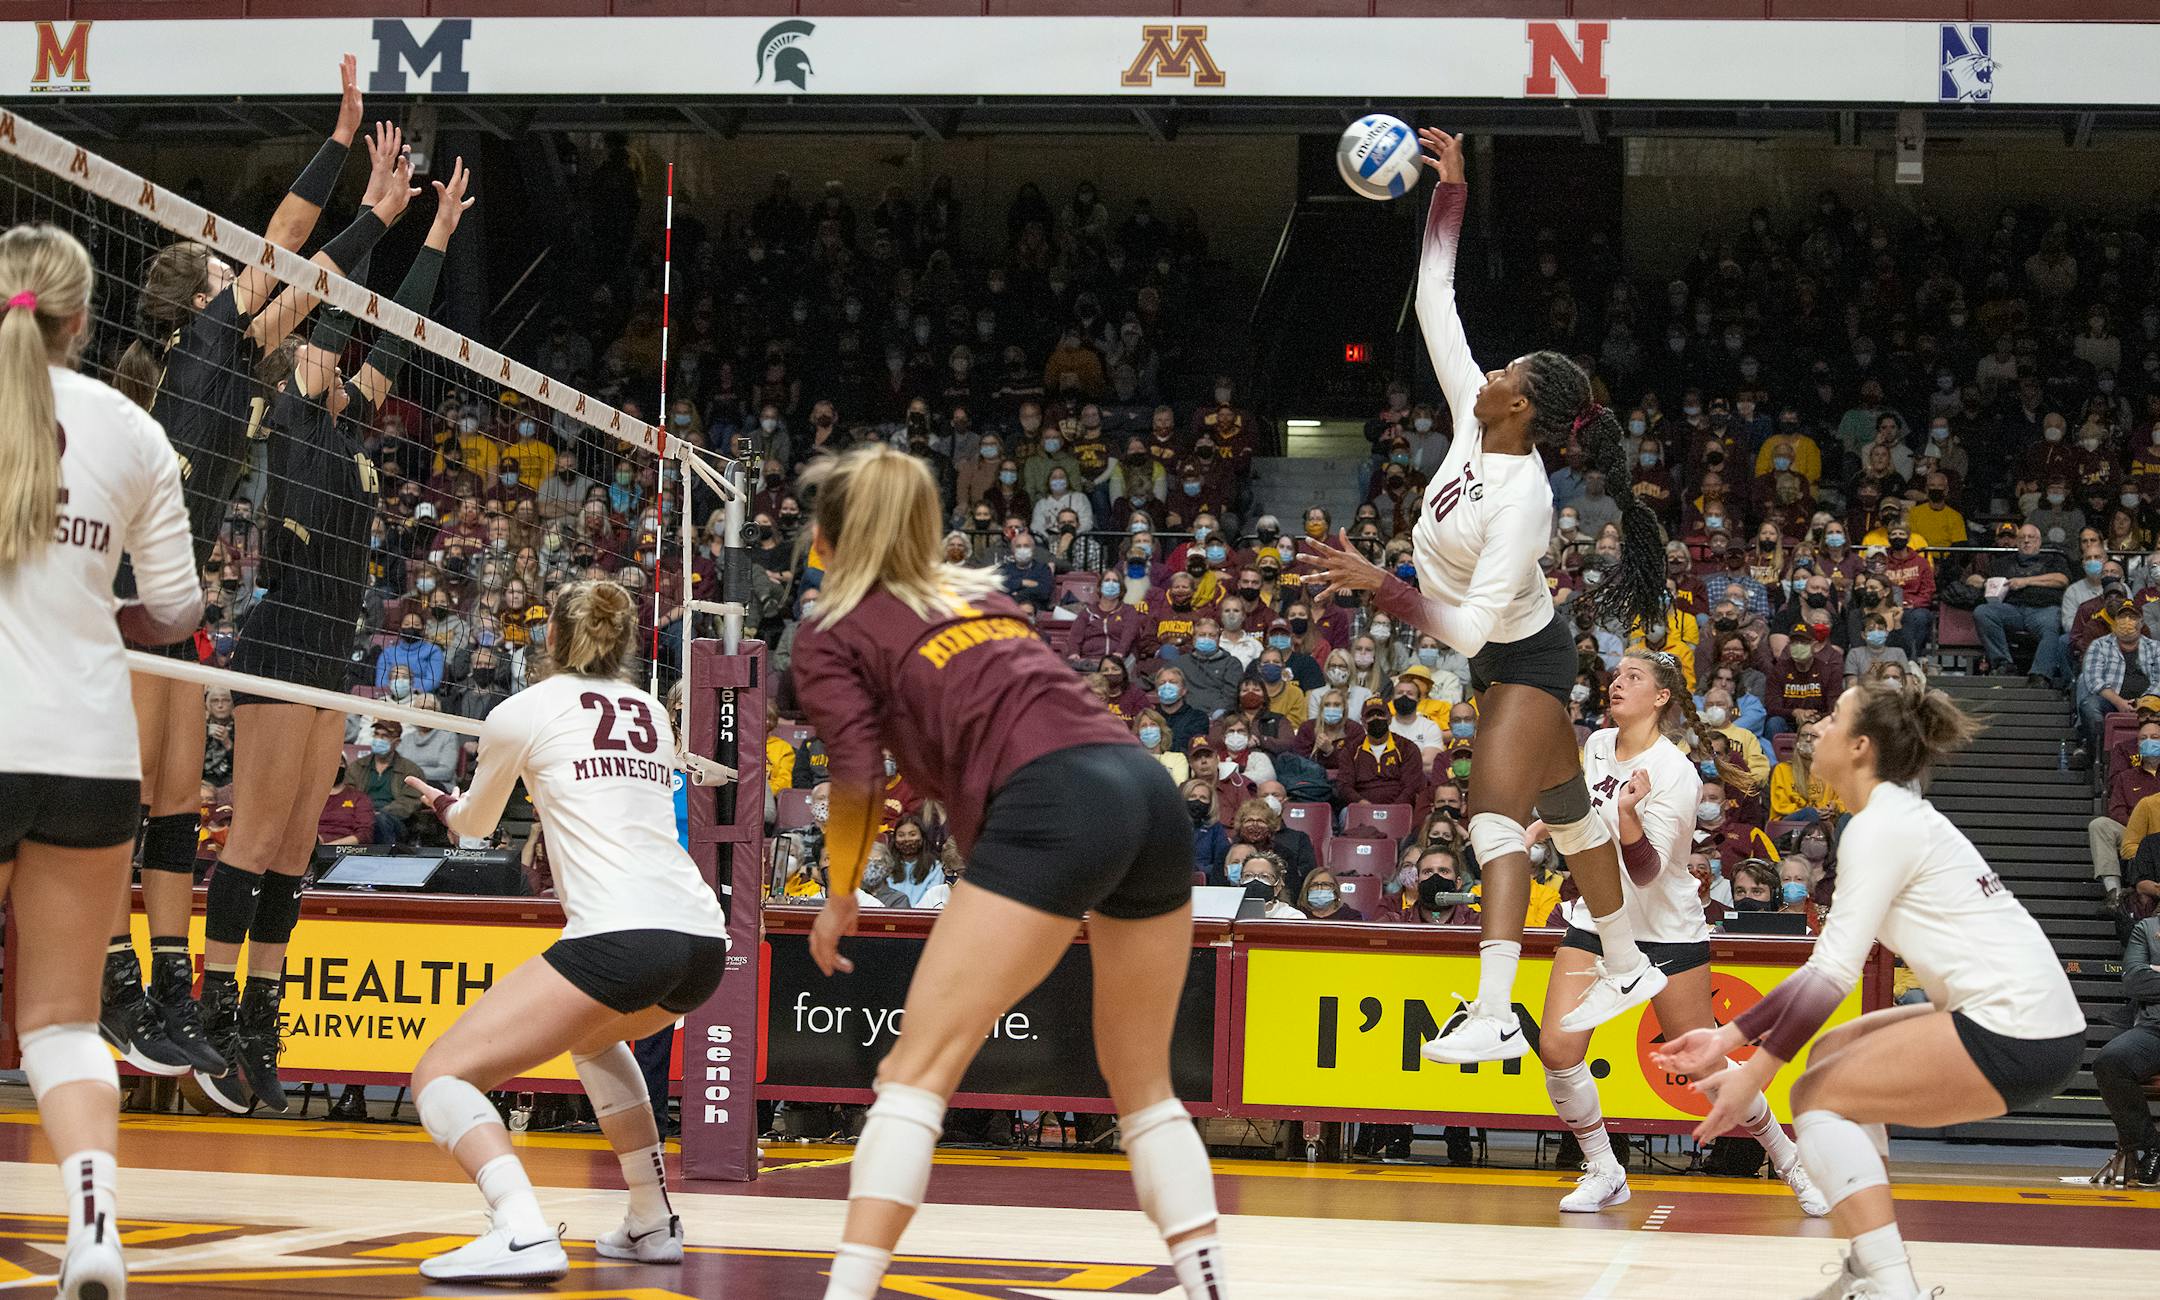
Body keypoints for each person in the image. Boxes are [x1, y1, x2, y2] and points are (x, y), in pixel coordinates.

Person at [788, 446, 1228, 1300]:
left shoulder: (830, 629)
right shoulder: (978, 594)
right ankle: (1207, 1282)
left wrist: (839, 894)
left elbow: (854, 776)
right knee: (1141, 1083)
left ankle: (847, 1290)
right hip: (1142, 786)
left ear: (830, 535)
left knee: (913, 1072)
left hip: (1052, 800)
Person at [1300, 129, 1672, 1063]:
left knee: (1495, 819)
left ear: (1522, 410)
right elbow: (1435, 295)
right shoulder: (1476, 414)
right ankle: (1628, 964)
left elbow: (1466, 631)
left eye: (1507, 374)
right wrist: (1451, 194)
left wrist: (1378, 584)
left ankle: (1497, 1008)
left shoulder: (1526, 500)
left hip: (1521, 654)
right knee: (1572, 816)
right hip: (1501, 653)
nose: (1491, 370)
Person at [102, 72, 391, 1086]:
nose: (244, 278)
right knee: (133, 797)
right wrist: (342, 141)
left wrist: (376, 217)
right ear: (196, 296)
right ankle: (114, 978)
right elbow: (286, 245)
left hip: (175, 605)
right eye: (224, 272)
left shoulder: (235, 360)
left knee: (178, 802)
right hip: (123, 599)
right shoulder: (201, 345)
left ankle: (175, 995)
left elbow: (310, 282)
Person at [1655, 677, 2085, 1300]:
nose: (1819, 727)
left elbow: (1830, 975)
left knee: (1815, 1096)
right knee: (1830, 1057)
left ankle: (1890, 1284)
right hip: (2031, 1021)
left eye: (1834, 717)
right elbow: (1824, 970)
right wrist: (1729, 1036)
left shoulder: (1881, 824)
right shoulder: (1891, 817)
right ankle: (1870, 1263)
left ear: (1859, 747)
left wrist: (1752, 1073)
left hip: (2017, 1027)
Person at [198, 157, 465, 1115]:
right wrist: (378, 216)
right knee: (258, 834)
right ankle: (215, 1012)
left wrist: (434, 236)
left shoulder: (350, 424)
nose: (331, 350)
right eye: (316, 343)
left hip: (329, 652)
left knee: (293, 849)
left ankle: (258, 1020)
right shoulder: (291, 416)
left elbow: (384, 327)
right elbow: (344, 305)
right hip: (280, 639)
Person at [399, 580, 726, 1282]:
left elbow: (478, 828)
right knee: (594, 1036)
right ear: (625, 643)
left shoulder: (522, 711)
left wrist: (445, 805)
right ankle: (650, 1219)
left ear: (550, 640)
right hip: (701, 939)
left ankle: (519, 1229)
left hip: (623, 933)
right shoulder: (648, 712)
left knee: (441, 1074)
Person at [1, 221, 204, 1298]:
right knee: (65, 1022)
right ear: (85, 320)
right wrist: (98, 604)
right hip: (88, 749)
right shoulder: (133, 428)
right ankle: (94, 1227)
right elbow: (176, 610)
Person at [1534, 650, 1827, 1216]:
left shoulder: (1676, 772)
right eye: (1616, 676)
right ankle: (1604, 1168)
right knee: (1557, 1047)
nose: (1617, 684)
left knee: (1709, 1071)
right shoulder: (1596, 746)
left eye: (1633, 678)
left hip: (1664, 932)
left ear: (1661, 696)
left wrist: (1627, 819)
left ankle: (1790, 1163)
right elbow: (1580, 813)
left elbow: (1648, 871)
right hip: (1596, 921)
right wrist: (1544, 823)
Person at [2090, 914, 2160, 1188]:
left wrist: (2154, 970)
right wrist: (2146, 973)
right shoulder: (2148, 928)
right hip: (2155, 1028)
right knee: (2110, 1061)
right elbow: (2133, 982)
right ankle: (2151, 1146)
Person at [1964, 522, 2073, 686]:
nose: (2027, 541)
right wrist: (1985, 582)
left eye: (2031, 537)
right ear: (2017, 541)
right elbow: (1973, 579)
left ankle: (2040, 674)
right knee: (1983, 612)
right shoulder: (2002, 563)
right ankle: (2003, 664)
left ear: (2039, 541)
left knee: (2052, 623)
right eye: (2022, 537)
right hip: (2012, 609)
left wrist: (2026, 581)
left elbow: (2062, 580)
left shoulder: (2053, 558)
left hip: (2043, 609)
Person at [2089, 718, 2160, 912]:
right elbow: (2116, 810)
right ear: (2137, 746)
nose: (2149, 742)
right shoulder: (2126, 777)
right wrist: (2138, 826)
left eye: (2155, 737)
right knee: (2099, 825)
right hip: (2131, 833)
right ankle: (2114, 893)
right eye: (2143, 738)